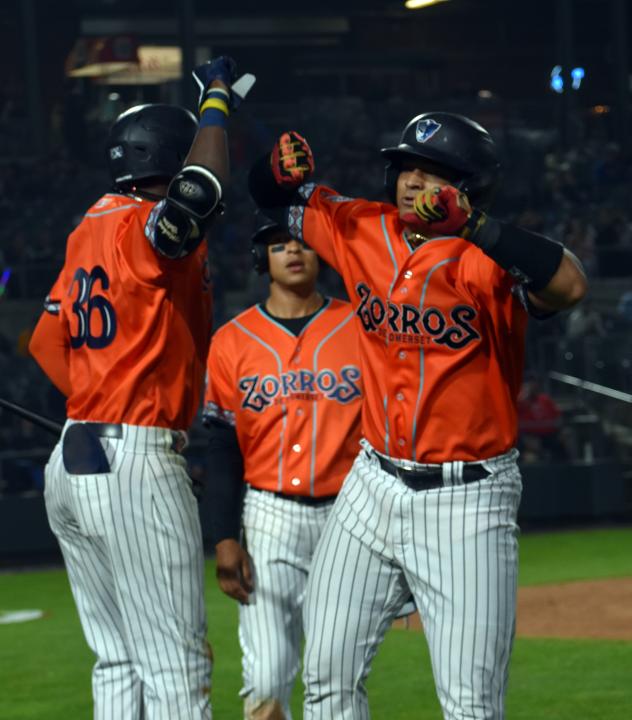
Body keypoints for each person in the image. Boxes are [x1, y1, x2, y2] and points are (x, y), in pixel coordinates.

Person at [249, 114, 588, 719]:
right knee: (326, 674)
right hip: (371, 483)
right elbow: (271, 197)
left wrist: (477, 227)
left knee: (470, 704)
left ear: (469, 187)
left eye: (432, 171)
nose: (412, 180)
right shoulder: (360, 228)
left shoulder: (487, 258)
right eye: (406, 166)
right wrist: (271, 168)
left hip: (466, 500)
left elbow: (569, 285)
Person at [28, 56, 249, 719]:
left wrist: (97, 406)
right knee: (177, 666)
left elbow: (44, 343)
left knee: (118, 660)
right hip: (131, 451)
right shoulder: (141, 228)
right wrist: (216, 100)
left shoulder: (89, 226)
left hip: (77, 455)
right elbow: (203, 190)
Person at [202, 221, 364, 720]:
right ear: (262, 261)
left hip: (350, 516)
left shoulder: (361, 326)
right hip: (269, 513)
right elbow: (221, 448)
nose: (293, 250)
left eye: (303, 242)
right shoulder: (231, 341)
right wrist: (225, 537)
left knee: (337, 673)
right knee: (267, 677)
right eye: (278, 245)